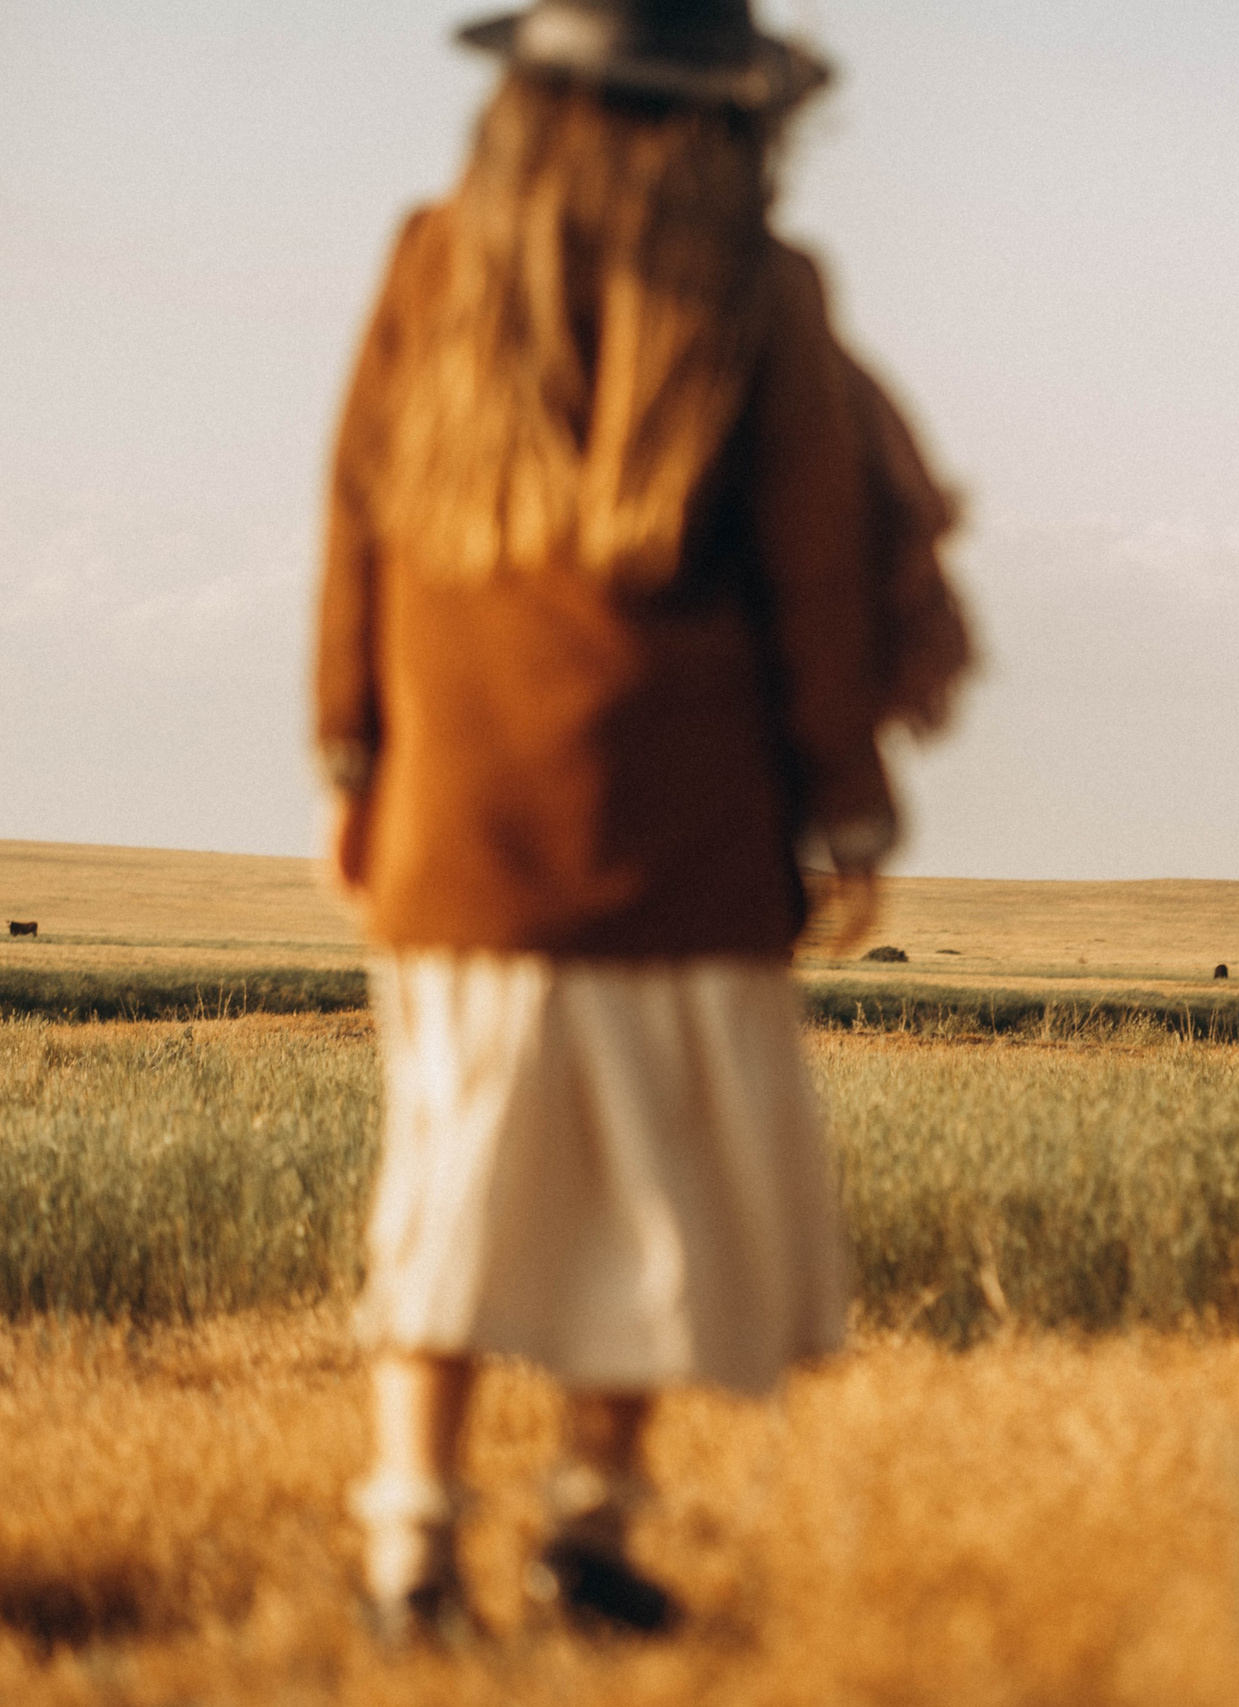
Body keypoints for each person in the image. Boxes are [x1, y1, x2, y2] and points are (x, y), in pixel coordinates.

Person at [313, 0, 969, 1643]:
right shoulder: (769, 293)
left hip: (462, 822)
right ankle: (587, 1537)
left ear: (535, 103)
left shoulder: (428, 259)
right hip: (686, 827)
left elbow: (358, 522)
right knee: (653, 1188)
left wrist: (350, 758)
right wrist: (849, 800)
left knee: (451, 1177)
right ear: (728, 122)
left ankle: (410, 1547)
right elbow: (818, 580)